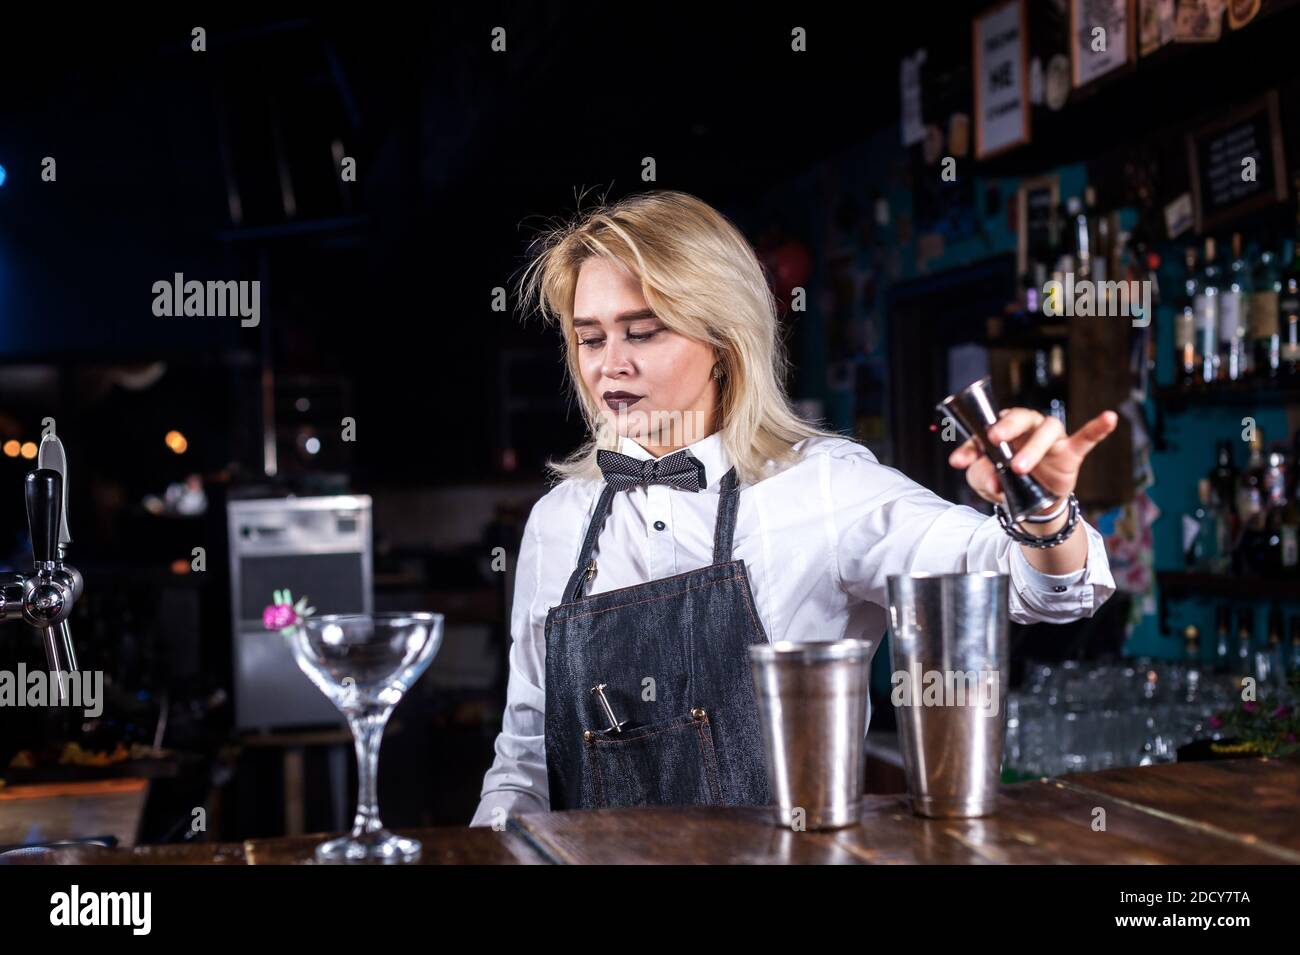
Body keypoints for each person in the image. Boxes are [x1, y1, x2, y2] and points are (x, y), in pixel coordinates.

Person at [469, 190, 1116, 827]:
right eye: (589, 339)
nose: (611, 366)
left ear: (723, 339)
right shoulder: (559, 522)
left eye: (643, 330)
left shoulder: (825, 488)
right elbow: (526, 752)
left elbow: (1043, 590)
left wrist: (1042, 511)